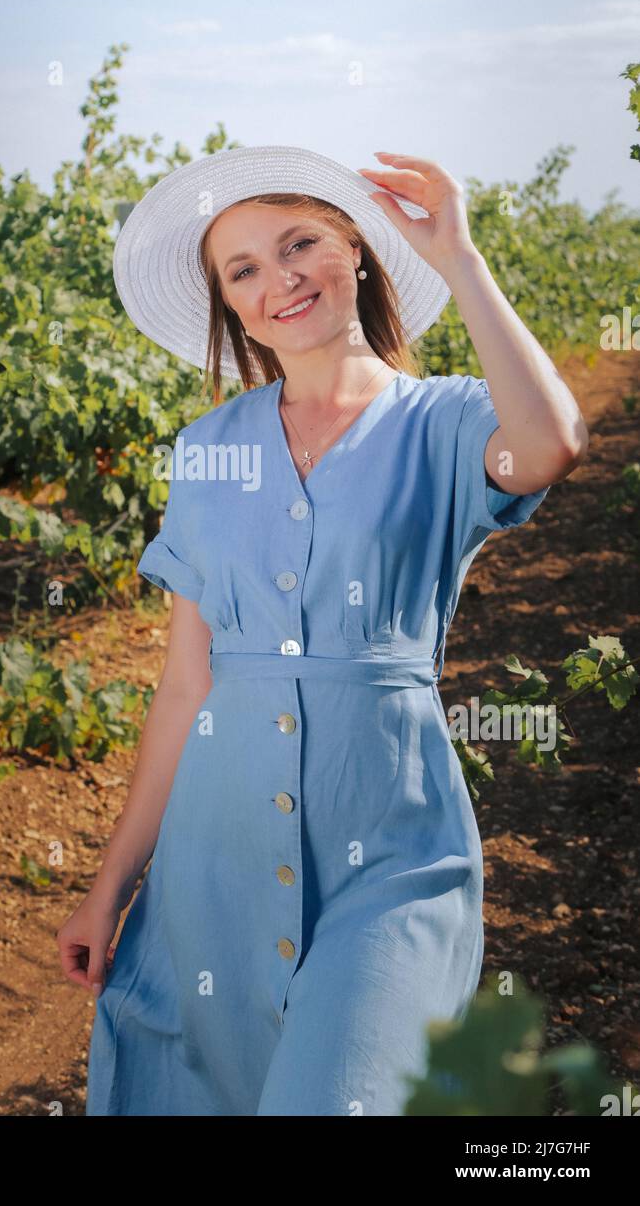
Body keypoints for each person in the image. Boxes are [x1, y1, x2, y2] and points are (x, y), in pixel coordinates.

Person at [57, 145, 588, 1116]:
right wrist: (108, 884)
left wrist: (459, 259)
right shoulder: (206, 449)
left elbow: (549, 441)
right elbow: (184, 686)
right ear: (229, 306)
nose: (279, 279)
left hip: (390, 840)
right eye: (243, 269)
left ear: (354, 248)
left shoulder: (444, 420)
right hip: (209, 856)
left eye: (299, 241)